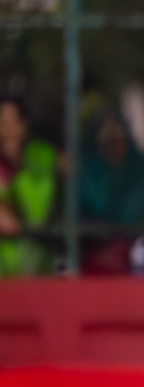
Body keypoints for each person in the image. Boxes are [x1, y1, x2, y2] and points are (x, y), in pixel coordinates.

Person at [78, 108, 144, 275]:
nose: (114, 145)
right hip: (96, 265)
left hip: (142, 259)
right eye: (107, 140)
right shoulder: (88, 175)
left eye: (118, 138)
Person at [0, 97, 58, 277]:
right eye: (2, 123)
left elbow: (35, 217)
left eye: (12, 122)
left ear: (24, 125)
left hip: (37, 267)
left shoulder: (42, 158)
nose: (7, 130)